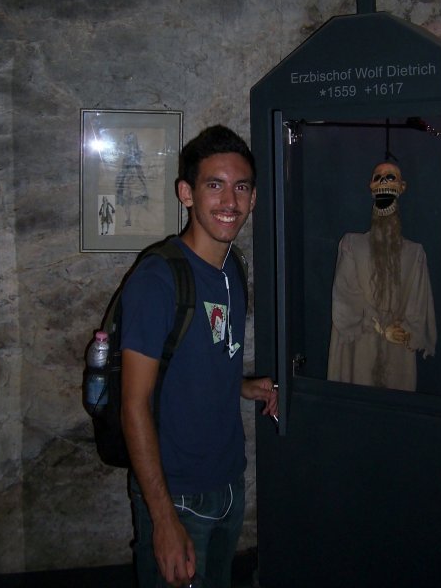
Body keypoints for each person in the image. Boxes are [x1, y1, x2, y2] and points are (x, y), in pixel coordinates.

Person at [120, 125, 278, 588]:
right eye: (215, 185)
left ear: (253, 197)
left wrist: (244, 386)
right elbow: (133, 405)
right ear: (186, 193)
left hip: (228, 480)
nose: (230, 201)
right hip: (177, 494)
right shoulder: (158, 280)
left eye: (241, 187)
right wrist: (163, 519)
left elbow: (203, 357)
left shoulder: (233, 267)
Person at [327, 161, 437, 391]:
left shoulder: (414, 254)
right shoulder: (351, 245)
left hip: (398, 350)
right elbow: (346, 299)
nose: (384, 182)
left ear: (402, 187)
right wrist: (379, 328)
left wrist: (404, 331)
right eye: (378, 177)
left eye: (391, 177)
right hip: (359, 348)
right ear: (371, 185)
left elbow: (418, 307)